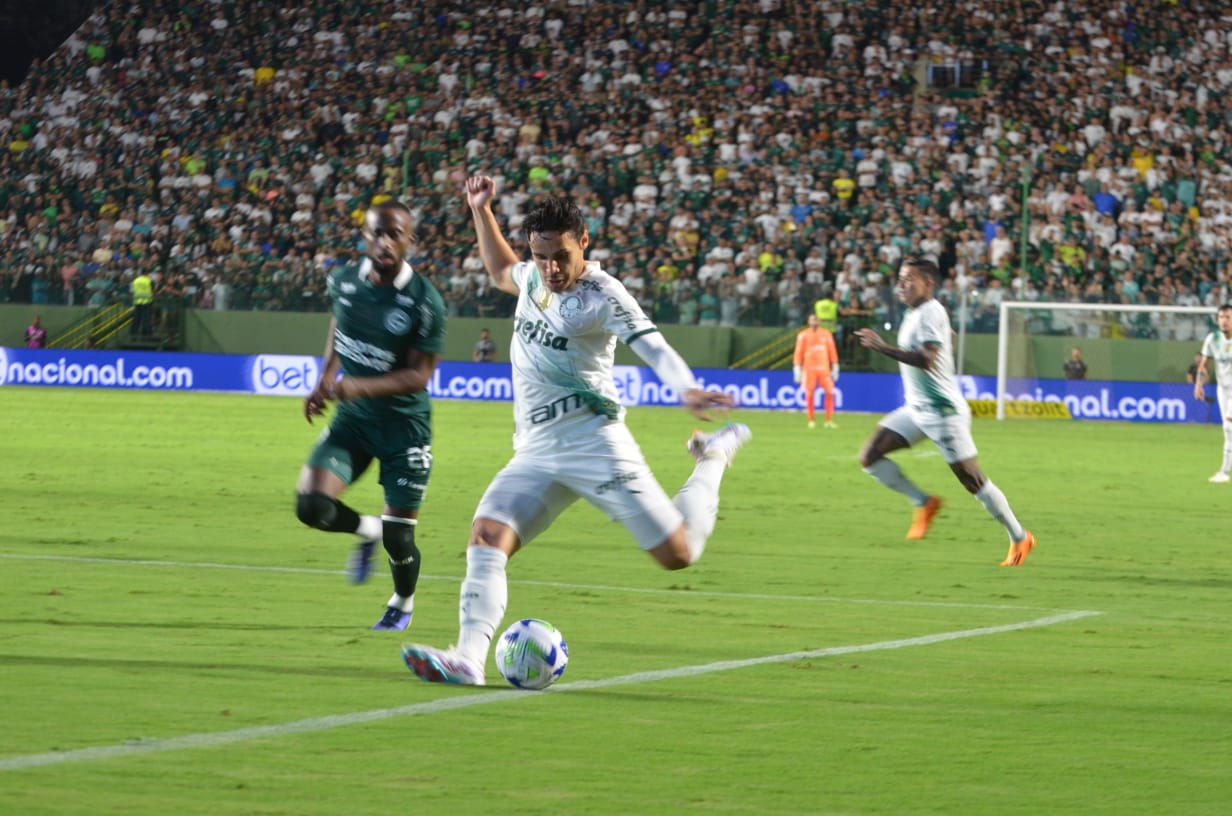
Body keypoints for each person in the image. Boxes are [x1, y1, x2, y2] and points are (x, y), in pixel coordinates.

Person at [400, 175, 751, 685]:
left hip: (593, 440)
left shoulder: (604, 295)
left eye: (561, 255)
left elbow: (652, 345)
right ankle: (468, 657)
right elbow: (501, 270)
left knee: (678, 555)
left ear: (583, 242)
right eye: (541, 256)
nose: (551, 267)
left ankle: (713, 459)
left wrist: (687, 389)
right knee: (487, 535)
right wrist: (481, 209)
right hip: (537, 449)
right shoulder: (534, 278)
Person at [296, 200, 447, 630]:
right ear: (365, 236)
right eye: (376, 233)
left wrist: (354, 385)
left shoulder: (425, 302)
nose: (384, 242)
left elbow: (420, 375)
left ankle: (403, 599)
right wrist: (325, 376)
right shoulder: (342, 281)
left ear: (409, 241)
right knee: (311, 506)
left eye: (394, 234)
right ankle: (367, 529)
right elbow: (339, 324)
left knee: (400, 538)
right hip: (355, 422)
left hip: (405, 431)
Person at [854, 257, 1036, 566]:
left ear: (928, 283)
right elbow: (942, 340)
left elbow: (925, 359)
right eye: (900, 278)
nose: (901, 284)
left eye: (909, 278)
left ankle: (1020, 536)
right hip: (916, 409)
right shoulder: (918, 313)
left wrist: (881, 347)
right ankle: (924, 502)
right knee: (869, 456)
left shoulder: (930, 311)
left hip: (943, 413)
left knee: (973, 481)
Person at [1192, 303, 1232, 483]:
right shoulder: (1212, 339)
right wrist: (1199, 384)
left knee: (1228, 427)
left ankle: (1224, 471)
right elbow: (1204, 365)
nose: (1225, 321)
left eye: (1228, 317)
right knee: (1228, 430)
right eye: (1222, 317)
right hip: (1222, 389)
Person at [793, 313, 840, 428]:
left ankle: (828, 420)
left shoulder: (826, 334)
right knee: (809, 394)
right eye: (812, 319)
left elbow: (832, 350)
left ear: (819, 322)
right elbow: (798, 352)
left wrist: (835, 366)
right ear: (809, 321)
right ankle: (811, 420)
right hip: (809, 369)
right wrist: (797, 368)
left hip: (824, 369)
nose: (814, 322)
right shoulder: (803, 335)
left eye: (816, 320)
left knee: (830, 392)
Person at [131, 269, 154, 337]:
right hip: (147, 302)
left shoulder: (135, 281)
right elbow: (153, 291)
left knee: (136, 320)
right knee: (146, 319)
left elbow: (133, 291)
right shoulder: (149, 280)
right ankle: (147, 335)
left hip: (137, 302)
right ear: (146, 273)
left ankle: (133, 335)